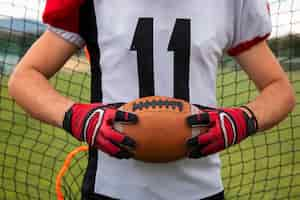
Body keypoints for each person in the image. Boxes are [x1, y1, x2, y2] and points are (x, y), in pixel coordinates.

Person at [8, 0, 296, 199]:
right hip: (112, 189)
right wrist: (76, 115)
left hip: (201, 189)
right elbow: (25, 78)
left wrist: (243, 119)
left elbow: (278, 89)